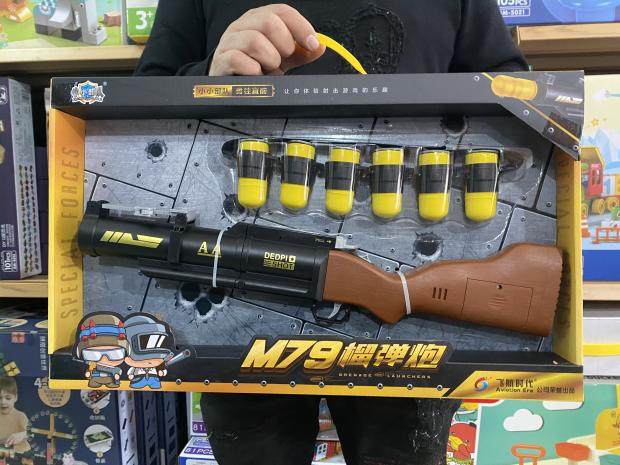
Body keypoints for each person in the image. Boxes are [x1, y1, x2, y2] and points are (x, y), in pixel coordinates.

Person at [135, 2, 528, 464]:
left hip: (408, 276)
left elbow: (518, 95)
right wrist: (209, 78)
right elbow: (143, 97)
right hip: (243, 302)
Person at [0, 376, 30, 454]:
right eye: (0, 398)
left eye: (8, 398)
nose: (3, 402)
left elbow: (32, 433)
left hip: (20, 454)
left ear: (15, 398)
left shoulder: (20, 416)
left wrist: (22, 434)